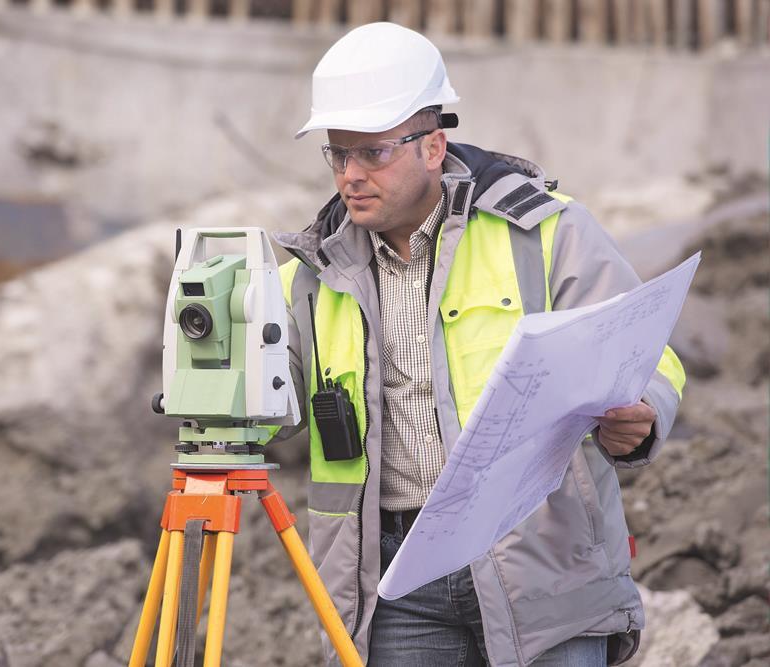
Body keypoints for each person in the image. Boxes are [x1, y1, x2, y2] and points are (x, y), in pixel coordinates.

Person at [271, 22, 685, 667]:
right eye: (337, 154)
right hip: (392, 581)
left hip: (539, 556)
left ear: (432, 146)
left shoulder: (542, 231)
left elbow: (645, 348)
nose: (350, 175)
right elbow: (265, 408)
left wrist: (646, 408)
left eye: (372, 153)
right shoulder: (310, 274)